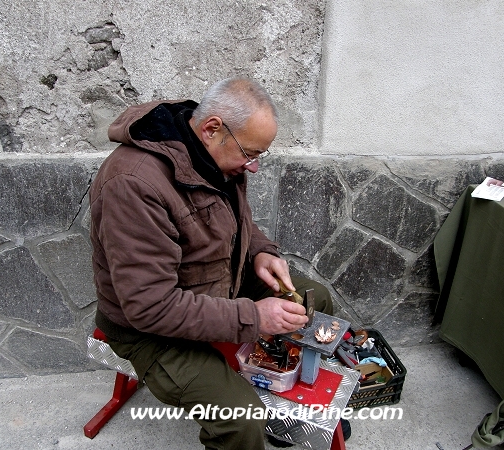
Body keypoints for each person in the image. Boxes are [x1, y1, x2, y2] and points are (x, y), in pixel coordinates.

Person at [89, 77, 335, 450]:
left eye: (258, 156)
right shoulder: (134, 184)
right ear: (212, 128)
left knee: (315, 298)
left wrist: (261, 251)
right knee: (239, 420)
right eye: (249, 153)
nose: (252, 167)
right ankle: (257, 414)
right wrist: (254, 317)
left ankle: (283, 408)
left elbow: (238, 221)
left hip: (218, 282)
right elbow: (149, 307)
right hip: (151, 329)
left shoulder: (210, 154)